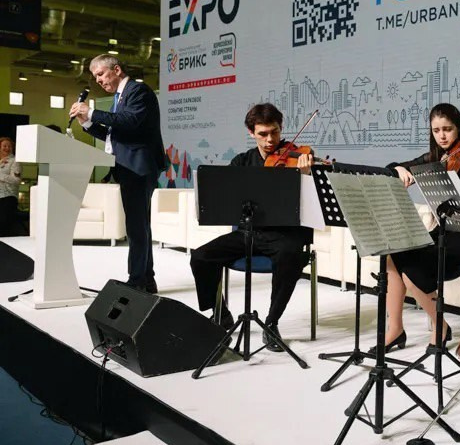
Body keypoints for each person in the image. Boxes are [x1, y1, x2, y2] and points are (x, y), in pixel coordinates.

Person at [189, 103, 314, 351]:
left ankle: (272, 323)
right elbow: (226, 196)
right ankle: (220, 313)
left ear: (281, 128)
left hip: (284, 234)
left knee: (290, 255)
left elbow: (312, 206)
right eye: (263, 134)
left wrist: (306, 176)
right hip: (249, 232)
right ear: (251, 133)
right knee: (201, 257)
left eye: (275, 132)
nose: (270, 140)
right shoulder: (242, 161)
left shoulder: (298, 158)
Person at [376, 103, 460, 352]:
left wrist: (443, 176)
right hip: (445, 233)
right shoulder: (435, 156)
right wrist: (398, 168)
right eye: (436, 130)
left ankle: (440, 327)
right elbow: (392, 167)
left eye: (447, 129)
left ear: (458, 128)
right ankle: (395, 329)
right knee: (391, 255)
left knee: (412, 267)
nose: (442, 136)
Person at [70, 55, 166, 292]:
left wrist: (91, 112)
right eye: (96, 78)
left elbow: (130, 121)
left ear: (117, 69)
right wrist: (86, 123)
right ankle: (146, 279)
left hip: (138, 166)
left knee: (136, 226)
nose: (99, 81)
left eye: (101, 74)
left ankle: (137, 281)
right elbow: (115, 135)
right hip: (129, 167)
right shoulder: (119, 97)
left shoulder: (138, 91)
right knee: (139, 225)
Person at [0, 137, 23, 236]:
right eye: (4, 146)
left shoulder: (15, 162)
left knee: (4, 228)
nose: (7, 148)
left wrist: (1, 176)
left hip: (7, 198)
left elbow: (16, 180)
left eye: (9, 146)